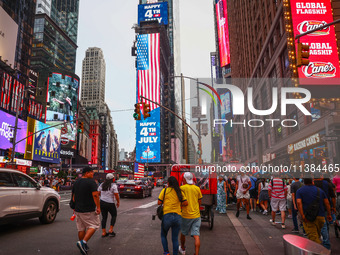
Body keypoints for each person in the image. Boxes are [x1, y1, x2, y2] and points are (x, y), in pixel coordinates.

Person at [72, 167, 101, 255]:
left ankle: (83, 245)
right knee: (94, 225)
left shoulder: (76, 182)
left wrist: (74, 206)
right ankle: (83, 242)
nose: (92, 175)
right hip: (88, 209)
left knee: (81, 228)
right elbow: (95, 196)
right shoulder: (91, 182)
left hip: (78, 209)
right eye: (91, 173)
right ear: (87, 173)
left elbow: (73, 196)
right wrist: (98, 207)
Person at [296, 177, 332, 245]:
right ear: (312, 181)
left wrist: (302, 215)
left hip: (308, 217)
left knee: (313, 239)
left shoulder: (300, 191)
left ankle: (319, 251)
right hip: (321, 217)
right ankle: (323, 247)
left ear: (303, 182)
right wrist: (329, 214)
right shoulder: (320, 190)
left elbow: (298, 202)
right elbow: (327, 203)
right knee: (317, 236)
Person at [158, 176, 188, 255]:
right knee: (175, 238)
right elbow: (185, 203)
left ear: (168, 183)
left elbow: (159, 202)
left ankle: (166, 252)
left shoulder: (165, 190)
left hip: (167, 216)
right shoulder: (179, 191)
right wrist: (178, 203)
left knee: (163, 235)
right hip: (178, 217)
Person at [179, 172, 203, 255]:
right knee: (196, 236)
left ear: (184, 179)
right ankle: (196, 254)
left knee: (183, 233)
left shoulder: (182, 188)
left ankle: (182, 248)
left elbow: (181, 201)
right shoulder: (197, 188)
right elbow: (199, 201)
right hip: (196, 215)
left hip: (185, 215)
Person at [314, 176, 336, 250]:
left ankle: (321, 241)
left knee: (318, 225)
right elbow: (333, 197)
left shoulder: (312, 184)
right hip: (326, 206)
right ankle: (326, 243)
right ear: (321, 177)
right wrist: (333, 207)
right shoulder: (327, 184)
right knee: (325, 225)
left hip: (315, 207)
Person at [98, 173, 120, 238]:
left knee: (104, 217)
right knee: (114, 215)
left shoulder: (102, 185)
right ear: (112, 179)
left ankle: (103, 232)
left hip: (102, 202)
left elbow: (98, 193)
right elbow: (116, 195)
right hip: (110, 203)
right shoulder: (113, 186)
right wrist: (118, 202)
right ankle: (110, 230)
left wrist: (103, 196)